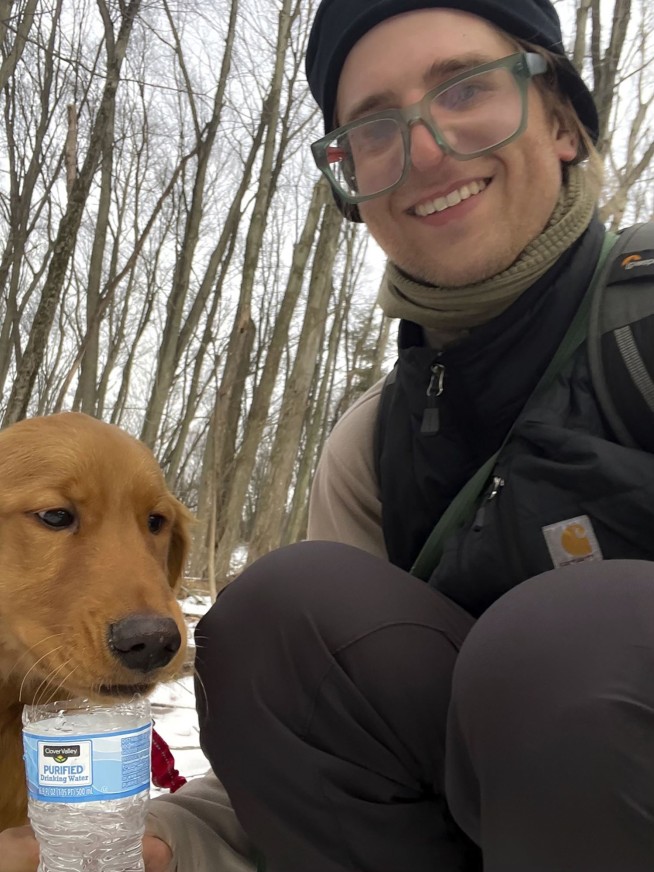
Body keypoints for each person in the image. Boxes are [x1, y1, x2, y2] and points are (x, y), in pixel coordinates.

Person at [3, 0, 654, 870]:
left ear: (565, 120)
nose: (424, 149)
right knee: (280, 609)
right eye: (374, 128)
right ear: (351, 180)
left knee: (567, 640)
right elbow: (317, 730)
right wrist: (159, 844)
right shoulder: (373, 442)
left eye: (465, 89)